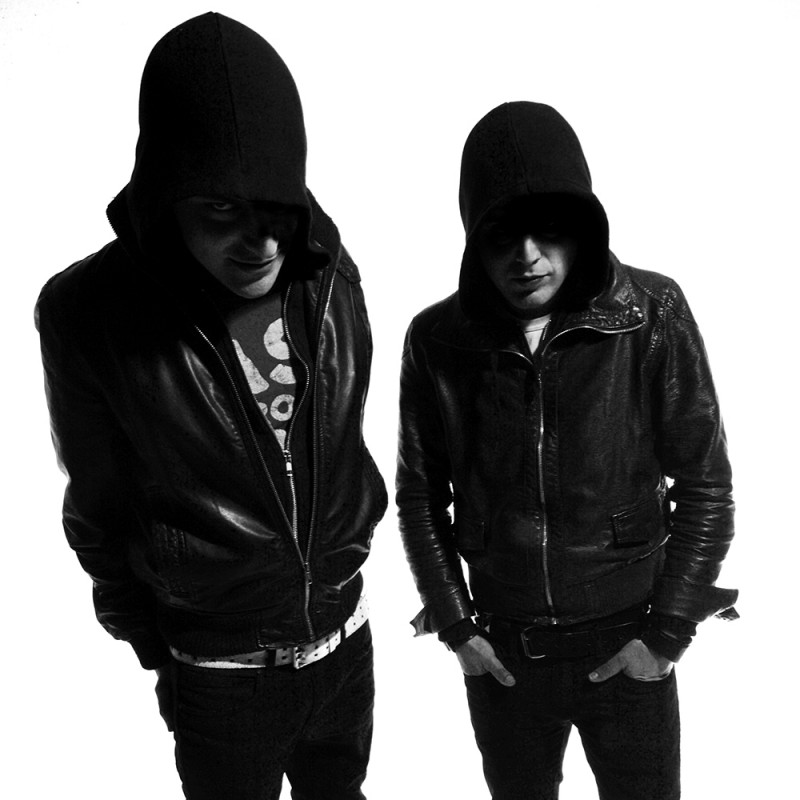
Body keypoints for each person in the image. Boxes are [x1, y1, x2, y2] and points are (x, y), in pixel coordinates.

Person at [35, 13, 386, 800]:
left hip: (347, 643)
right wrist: (158, 649)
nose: (261, 243)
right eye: (221, 211)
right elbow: (96, 504)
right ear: (166, 197)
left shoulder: (327, 272)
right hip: (224, 676)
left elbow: (344, 443)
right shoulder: (89, 313)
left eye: (273, 207)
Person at [396, 101, 738, 800]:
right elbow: (419, 495)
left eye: (548, 230)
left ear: (581, 226)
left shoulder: (649, 311)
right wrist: (457, 628)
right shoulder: (438, 339)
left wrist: (666, 637)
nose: (527, 256)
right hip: (504, 657)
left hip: (628, 644)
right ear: (473, 238)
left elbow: (705, 481)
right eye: (502, 235)